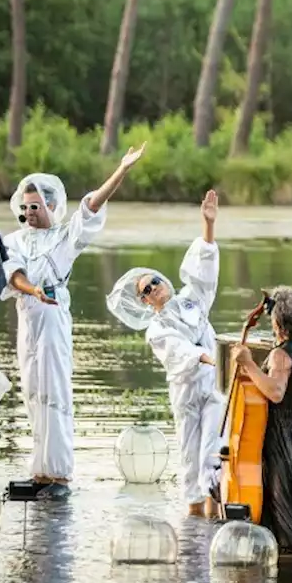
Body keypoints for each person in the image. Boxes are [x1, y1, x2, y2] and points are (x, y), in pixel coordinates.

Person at [1, 143, 146, 500]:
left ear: (50, 205)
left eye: (35, 206)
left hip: (52, 316)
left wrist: (121, 170)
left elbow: (92, 205)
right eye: (25, 207)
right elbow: (12, 273)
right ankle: (39, 469)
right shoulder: (16, 239)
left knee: (55, 390)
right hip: (29, 315)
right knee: (32, 390)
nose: (29, 213)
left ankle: (59, 473)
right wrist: (31, 290)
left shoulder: (65, 236)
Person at [105, 190, 223, 517]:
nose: (154, 288)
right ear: (144, 301)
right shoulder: (154, 329)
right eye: (146, 290)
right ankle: (195, 516)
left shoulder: (189, 300)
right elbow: (178, 351)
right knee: (189, 453)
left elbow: (205, 276)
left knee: (213, 452)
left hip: (213, 385)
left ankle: (216, 513)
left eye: (154, 281)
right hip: (187, 390)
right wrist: (206, 357)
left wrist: (208, 225)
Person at [228, 243, 292, 552]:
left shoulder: (283, 355)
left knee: (282, 510)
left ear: (280, 325)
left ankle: (286, 567)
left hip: (281, 436)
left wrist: (248, 364)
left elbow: (275, 392)